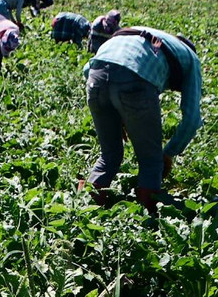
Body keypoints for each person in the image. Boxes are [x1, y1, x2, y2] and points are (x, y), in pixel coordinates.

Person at [82, 27, 202, 214]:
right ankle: (147, 222)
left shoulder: (152, 40)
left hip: (96, 77)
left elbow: (86, 69)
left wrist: (115, 113)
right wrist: (168, 154)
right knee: (151, 161)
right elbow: (192, 119)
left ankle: (84, 211)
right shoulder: (191, 59)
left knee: (109, 155)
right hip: (135, 81)